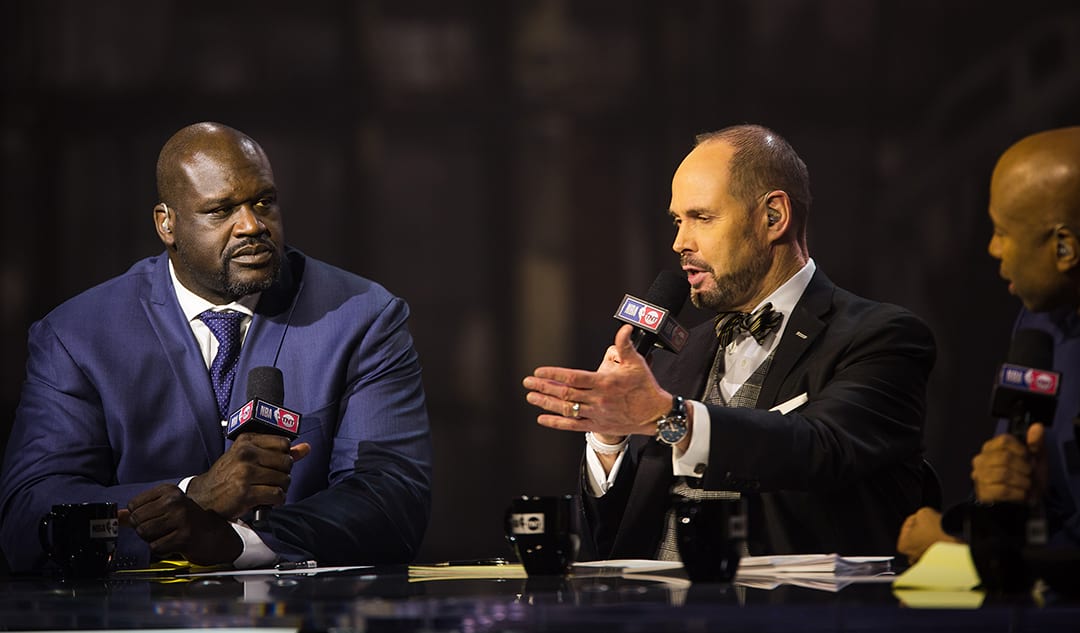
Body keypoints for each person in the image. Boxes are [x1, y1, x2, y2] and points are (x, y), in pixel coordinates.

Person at [0, 122, 432, 572]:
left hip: (306, 606)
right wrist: (192, 495)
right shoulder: (77, 335)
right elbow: (29, 514)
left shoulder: (362, 317)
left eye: (264, 202)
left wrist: (236, 542)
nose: (252, 225)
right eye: (221, 210)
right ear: (166, 224)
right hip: (136, 608)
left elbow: (393, 502)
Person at [523, 124, 937, 559]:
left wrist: (670, 417)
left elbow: (821, 448)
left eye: (702, 218)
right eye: (678, 221)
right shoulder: (672, 357)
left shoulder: (881, 336)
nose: (679, 242)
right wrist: (609, 439)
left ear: (773, 217)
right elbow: (615, 542)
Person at [898, 125, 1080, 563]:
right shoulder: (1039, 323)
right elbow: (1034, 506)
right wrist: (999, 494)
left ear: (1064, 249)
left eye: (1003, 232)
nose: (993, 248)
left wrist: (956, 555)